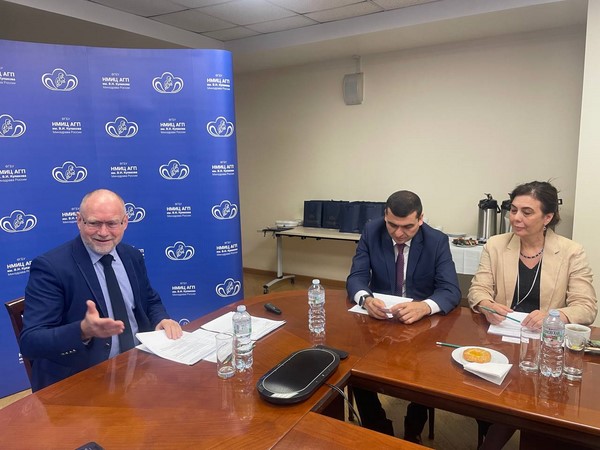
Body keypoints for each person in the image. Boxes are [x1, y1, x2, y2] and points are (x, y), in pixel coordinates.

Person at [468, 180, 597, 449]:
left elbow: (586, 306)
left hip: (546, 350)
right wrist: (487, 304)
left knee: (527, 399)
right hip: (502, 343)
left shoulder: (571, 252)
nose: (516, 218)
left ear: (547, 217)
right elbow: (478, 290)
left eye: (527, 212)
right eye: (513, 210)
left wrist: (555, 316)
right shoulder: (496, 245)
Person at [20, 189, 183, 392]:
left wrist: (161, 319)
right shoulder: (51, 267)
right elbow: (31, 341)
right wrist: (83, 330)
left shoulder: (131, 256)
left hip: (138, 369)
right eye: (94, 223)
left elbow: (149, 299)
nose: (103, 232)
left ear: (125, 222)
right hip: (80, 380)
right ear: (79, 221)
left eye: (112, 223)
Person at [347, 190, 461, 442]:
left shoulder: (436, 240)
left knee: (429, 370)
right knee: (355, 366)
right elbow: (356, 277)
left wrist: (425, 306)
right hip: (380, 320)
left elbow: (451, 290)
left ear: (421, 219)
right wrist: (365, 299)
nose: (398, 233)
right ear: (384, 217)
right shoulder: (372, 231)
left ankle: (413, 428)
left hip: (421, 325)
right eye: (392, 225)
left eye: (407, 227)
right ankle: (378, 427)